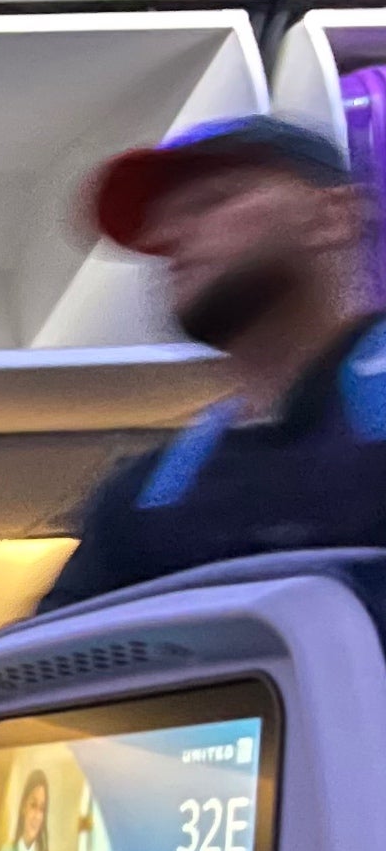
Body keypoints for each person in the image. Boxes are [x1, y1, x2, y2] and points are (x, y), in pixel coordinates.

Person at [39, 115, 386, 613]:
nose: (169, 237)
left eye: (212, 200)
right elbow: (42, 671)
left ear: (335, 216)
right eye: (160, 223)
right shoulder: (141, 497)